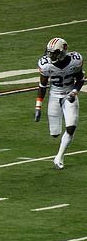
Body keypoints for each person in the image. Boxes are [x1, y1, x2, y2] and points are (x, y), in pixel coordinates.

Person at [35, 37, 84, 170]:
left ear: (63, 51)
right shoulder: (45, 64)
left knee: (71, 127)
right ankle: (58, 148)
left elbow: (80, 79)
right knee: (55, 133)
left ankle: (59, 157)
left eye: (54, 52)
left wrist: (74, 92)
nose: (51, 55)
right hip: (54, 96)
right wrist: (38, 106)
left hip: (69, 96)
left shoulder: (75, 60)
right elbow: (42, 85)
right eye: (49, 52)